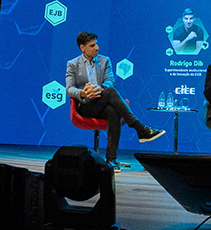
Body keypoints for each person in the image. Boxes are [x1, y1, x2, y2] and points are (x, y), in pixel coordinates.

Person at [66, 32, 164, 172]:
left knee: (113, 110)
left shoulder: (105, 61)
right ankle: (140, 129)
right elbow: (69, 89)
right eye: (92, 45)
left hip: (102, 101)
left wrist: (99, 89)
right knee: (111, 93)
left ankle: (111, 159)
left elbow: (110, 81)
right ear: (82, 48)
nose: (97, 48)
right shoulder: (73, 64)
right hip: (86, 106)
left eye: (96, 44)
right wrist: (83, 92)